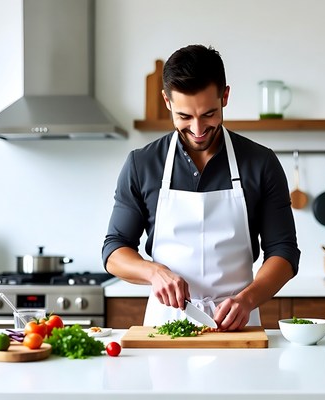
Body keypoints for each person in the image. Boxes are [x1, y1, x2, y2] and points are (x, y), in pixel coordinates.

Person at [102, 44, 300, 331]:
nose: (197, 129)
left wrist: (247, 300)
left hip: (239, 325)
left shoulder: (261, 163)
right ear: (167, 102)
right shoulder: (141, 164)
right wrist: (153, 272)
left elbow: (284, 252)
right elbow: (114, 250)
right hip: (166, 327)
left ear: (225, 96)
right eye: (184, 117)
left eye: (208, 114)